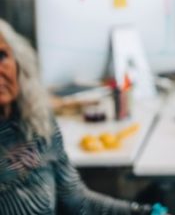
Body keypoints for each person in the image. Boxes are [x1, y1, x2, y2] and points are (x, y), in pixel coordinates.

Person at [0, 19, 164, 214]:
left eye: (2, 56)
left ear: (19, 61)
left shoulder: (37, 122)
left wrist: (145, 212)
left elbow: (77, 202)